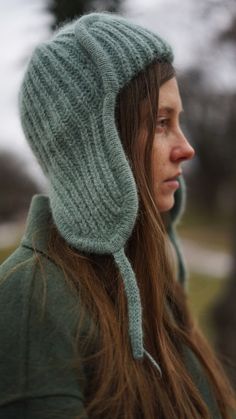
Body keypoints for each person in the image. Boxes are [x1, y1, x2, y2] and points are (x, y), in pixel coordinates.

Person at [0, 11, 235, 419]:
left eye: (178, 122)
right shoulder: (32, 301)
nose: (186, 147)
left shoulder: (150, 283)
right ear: (95, 145)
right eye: (162, 123)